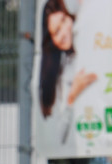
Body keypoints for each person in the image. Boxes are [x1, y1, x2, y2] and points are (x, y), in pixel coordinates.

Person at [38, 0, 97, 144]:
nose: (64, 32)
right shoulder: (59, 74)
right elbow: (59, 138)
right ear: (51, 39)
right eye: (56, 32)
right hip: (85, 139)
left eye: (64, 20)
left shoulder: (93, 42)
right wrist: (72, 96)